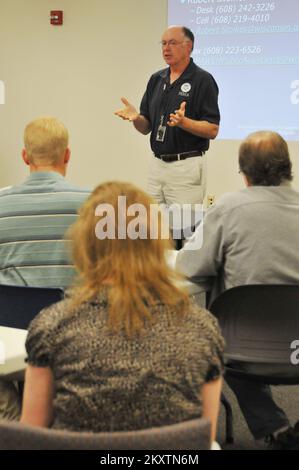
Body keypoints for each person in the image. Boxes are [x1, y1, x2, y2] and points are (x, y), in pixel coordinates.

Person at [21, 181, 224, 446]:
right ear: (155, 243)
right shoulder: (202, 329)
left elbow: (31, 437)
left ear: (86, 244)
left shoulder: (52, 327)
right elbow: (203, 440)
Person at [176, 131, 299, 449]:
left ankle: (274, 426)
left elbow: (189, 266)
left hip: (243, 348)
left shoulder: (227, 208)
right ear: (288, 168)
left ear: (244, 174)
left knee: (220, 336)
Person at [0, 117, 90, 420]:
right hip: (75, 339)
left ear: (25, 157)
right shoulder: (92, 205)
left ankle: (17, 424)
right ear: (67, 155)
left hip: (10, 336)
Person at [115, 26, 220, 213]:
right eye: (163, 43)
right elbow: (146, 126)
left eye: (172, 43)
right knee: (153, 229)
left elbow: (212, 129)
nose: (166, 48)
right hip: (157, 165)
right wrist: (136, 118)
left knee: (184, 232)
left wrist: (184, 122)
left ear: (189, 46)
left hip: (186, 167)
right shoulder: (157, 79)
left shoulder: (203, 80)